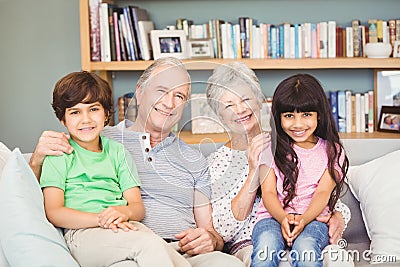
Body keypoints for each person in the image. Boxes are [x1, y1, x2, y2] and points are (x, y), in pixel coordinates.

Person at [29, 57, 244, 267]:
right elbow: (41, 194)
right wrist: (36, 160)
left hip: (181, 250)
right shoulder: (97, 139)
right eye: (161, 91)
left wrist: (210, 239)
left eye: (179, 95)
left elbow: (209, 228)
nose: (169, 103)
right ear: (140, 93)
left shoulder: (195, 159)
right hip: (123, 247)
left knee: (227, 263)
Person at [206, 62, 352, 267]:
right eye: (229, 105)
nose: (239, 109)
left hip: (309, 228)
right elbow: (222, 230)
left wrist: (338, 215)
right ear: (218, 113)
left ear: (259, 101)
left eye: (245, 99)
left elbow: (321, 194)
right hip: (252, 241)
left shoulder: (286, 142)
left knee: (334, 259)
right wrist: (252, 173)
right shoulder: (217, 163)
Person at [40, 71, 188, 267]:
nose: (86, 119)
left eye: (93, 109)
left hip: (124, 227)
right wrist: (101, 219)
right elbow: (54, 212)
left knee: (170, 255)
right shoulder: (60, 154)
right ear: (63, 120)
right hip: (83, 235)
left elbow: (137, 207)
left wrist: (123, 212)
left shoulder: (118, 152)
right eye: (75, 112)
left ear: (106, 114)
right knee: (149, 246)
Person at [251, 74, 349, 267]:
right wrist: (283, 218)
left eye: (306, 114)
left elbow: (323, 192)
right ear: (278, 117)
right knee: (266, 249)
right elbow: (269, 192)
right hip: (271, 218)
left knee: (306, 250)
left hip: (314, 220)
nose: (297, 124)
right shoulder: (268, 147)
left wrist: (303, 219)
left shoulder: (333, 152)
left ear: (319, 115)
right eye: (289, 116)